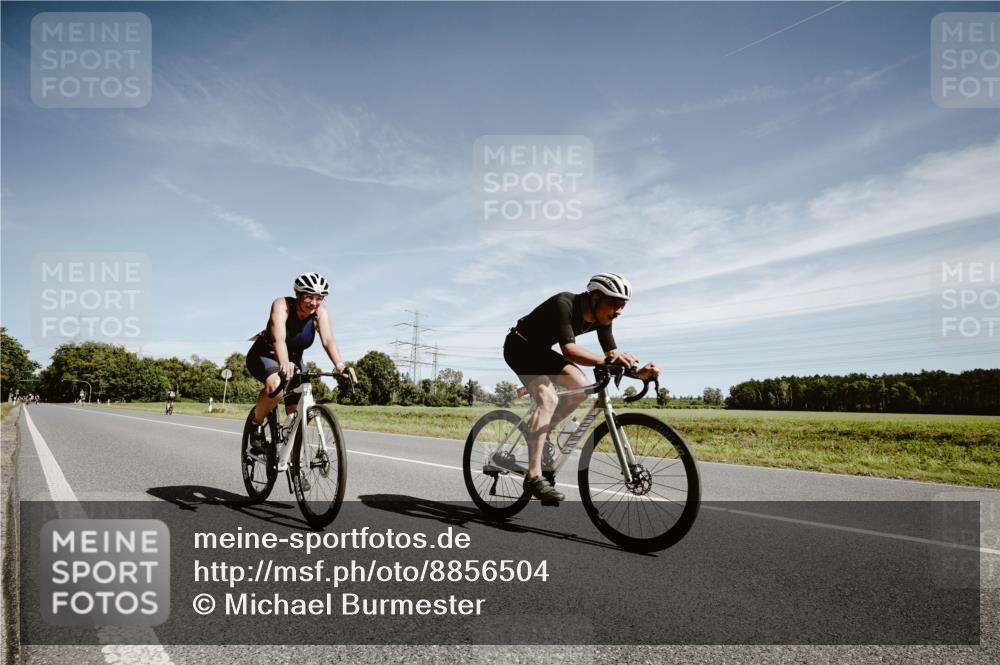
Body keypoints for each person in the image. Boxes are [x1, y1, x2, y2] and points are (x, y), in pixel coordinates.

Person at [503, 272, 660, 505]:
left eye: (623, 305)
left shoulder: (603, 319)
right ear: (595, 297)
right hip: (520, 347)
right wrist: (608, 361)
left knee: (583, 386)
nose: (619, 311)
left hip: (542, 352)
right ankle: (533, 476)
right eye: (615, 304)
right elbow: (569, 351)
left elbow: (611, 356)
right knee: (548, 400)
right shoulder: (563, 304)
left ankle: (542, 433)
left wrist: (637, 373)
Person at [245, 272, 356, 455]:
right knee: (277, 387)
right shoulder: (282, 305)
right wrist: (284, 363)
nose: (314, 302)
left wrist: (341, 366)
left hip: (294, 360)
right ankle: (256, 425)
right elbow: (279, 338)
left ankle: (294, 464)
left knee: (296, 414)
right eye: (309, 297)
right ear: (298, 295)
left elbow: (328, 340)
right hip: (266, 354)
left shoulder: (320, 312)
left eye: (319, 297)